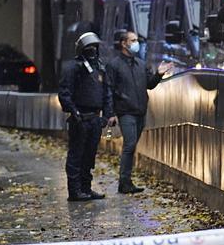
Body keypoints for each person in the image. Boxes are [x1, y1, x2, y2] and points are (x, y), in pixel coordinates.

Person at [105, 29, 172, 194]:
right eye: (133, 40)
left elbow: (149, 84)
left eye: (136, 40)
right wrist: (110, 113)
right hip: (125, 111)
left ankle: (126, 181)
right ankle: (124, 181)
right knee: (129, 145)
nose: (136, 43)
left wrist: (158, 74)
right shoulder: (114, 65)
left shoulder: (140, 64)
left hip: (140, 110)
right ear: (123, 43)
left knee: (132, 145)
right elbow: (108, 89)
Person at [58, 32, 114, 202]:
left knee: (89, 155)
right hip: (80, 118)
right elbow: (65, 93)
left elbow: (106, 93)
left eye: (94, 48)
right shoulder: (73, 68)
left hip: (95, 119)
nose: (92, 52)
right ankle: (75, 191)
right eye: (89, 49)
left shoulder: (100, 68)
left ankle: (86, 188)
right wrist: (74, 113)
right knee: (76, 155)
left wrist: (106, 115)